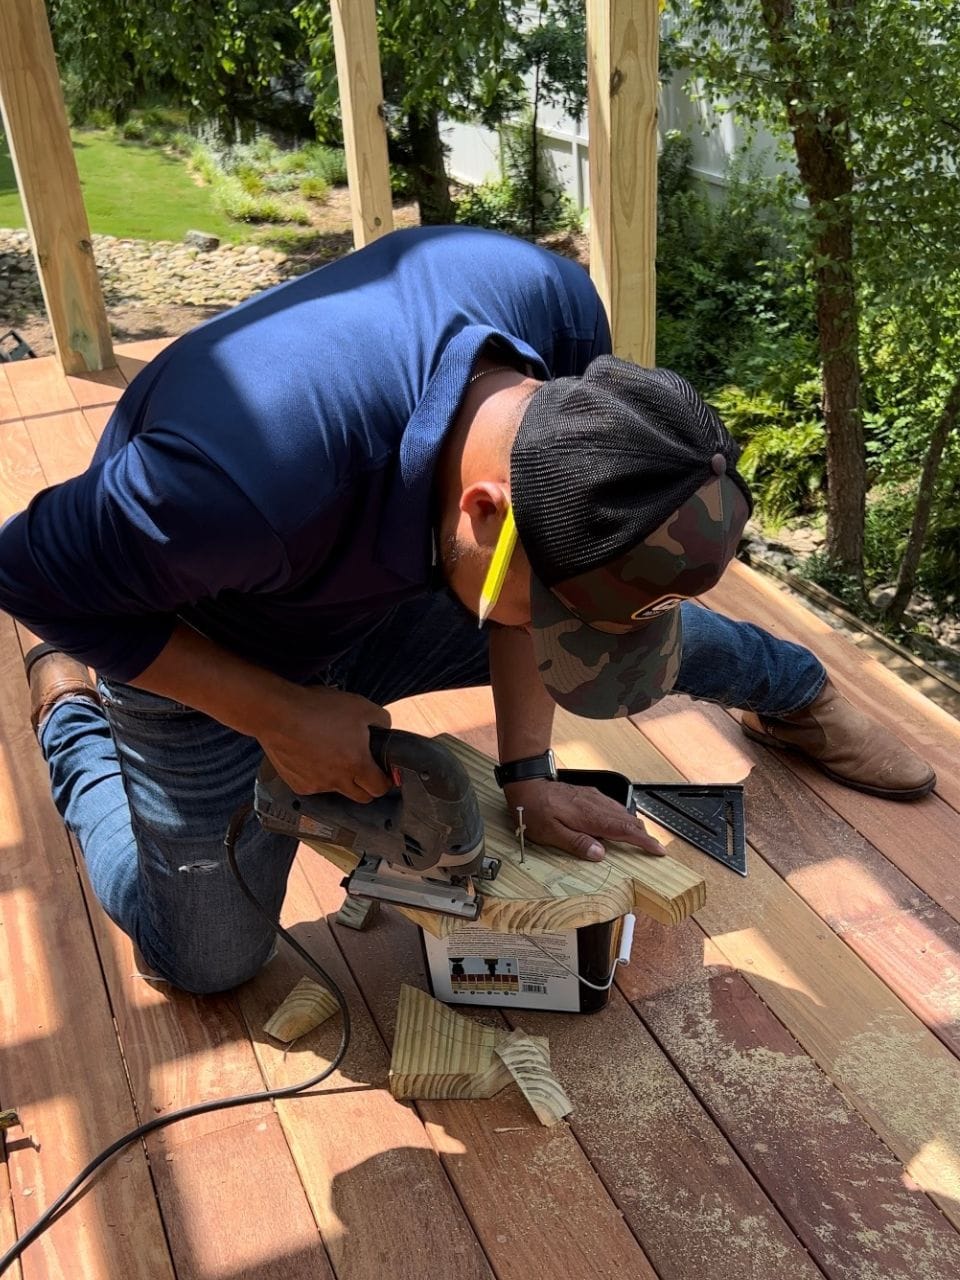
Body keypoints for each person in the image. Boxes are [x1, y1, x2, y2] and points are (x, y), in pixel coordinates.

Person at [0, 226, 934, 995]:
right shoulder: (227, 487)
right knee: (205, 962)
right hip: (202, 630)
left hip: (384, 581)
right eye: (550, 611)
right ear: (484, 512)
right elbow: (20, 570)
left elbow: (565, 584)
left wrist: (527, 769)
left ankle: (796, 694)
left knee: (628, 620)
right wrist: (280, 716)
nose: (560, 630)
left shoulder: (557, 313)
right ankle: (70, 714)